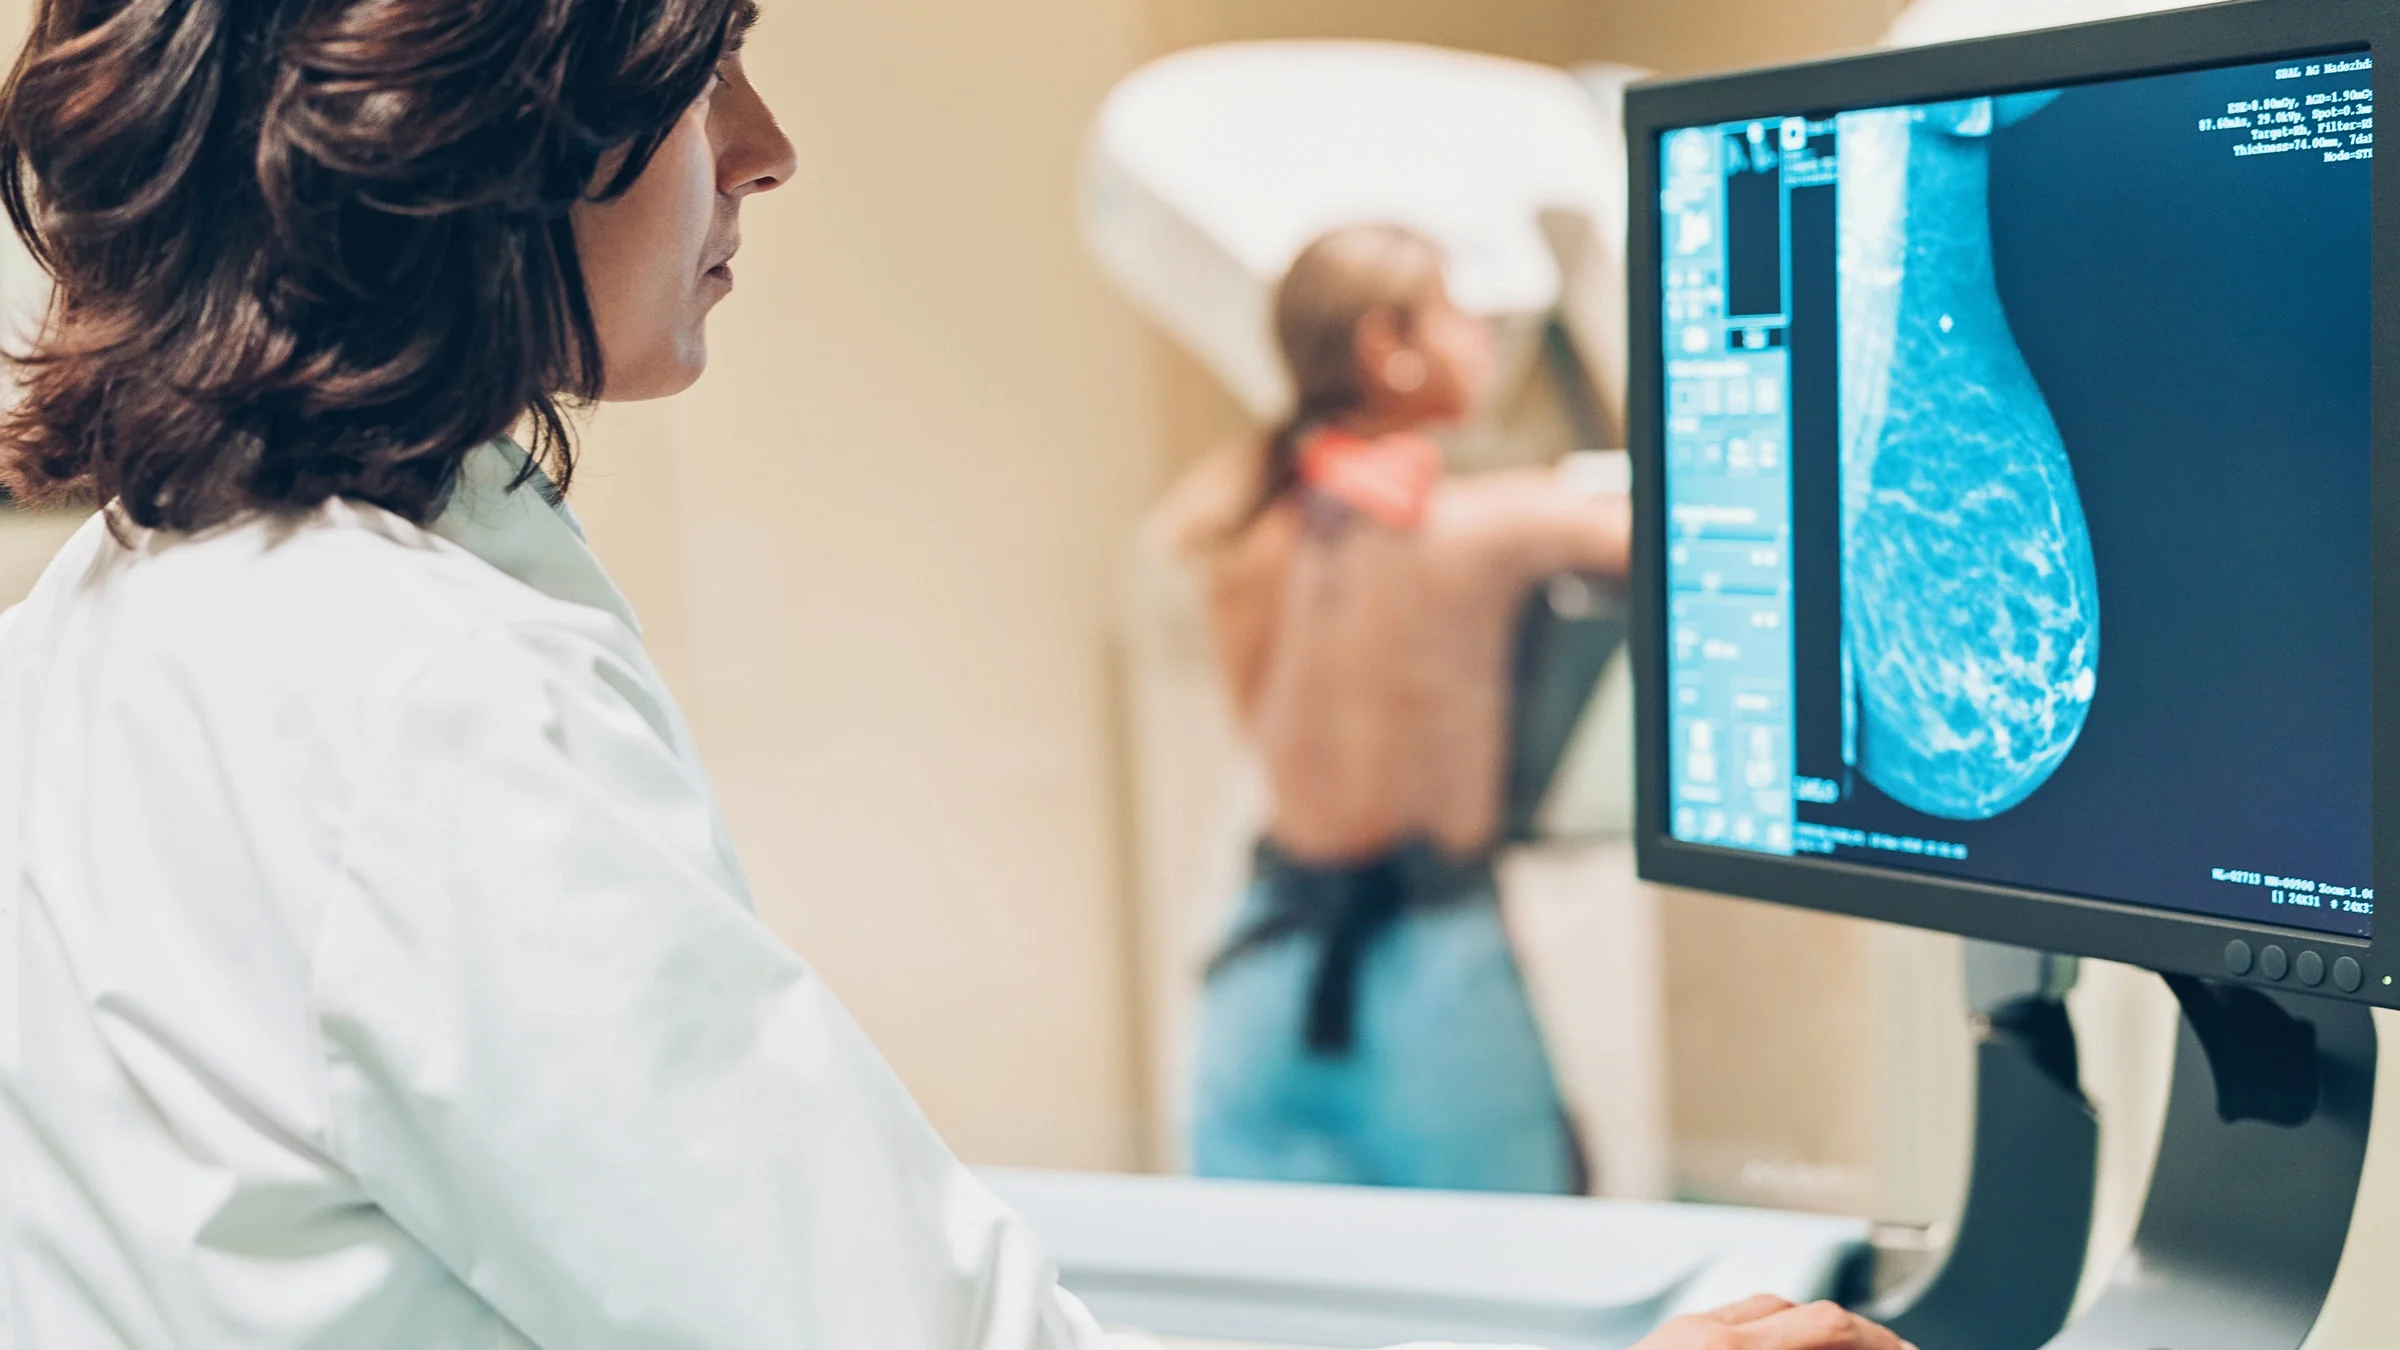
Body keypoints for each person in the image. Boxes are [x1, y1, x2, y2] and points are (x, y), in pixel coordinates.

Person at [0, 0, 1909, 1341]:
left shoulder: (103, 625)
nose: (766, 147)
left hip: (1274, 960)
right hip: (1396, 958)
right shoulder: (410, 705)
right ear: (475, 131)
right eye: (705, 70)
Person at [1166, 224, 1633, 1194]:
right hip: (1427, 978)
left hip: (1262, 965)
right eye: (1459, 311)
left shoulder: (1234, 521)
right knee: (1522, 1291)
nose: (1483, 340)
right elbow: (1708, 526)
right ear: (1389, 346)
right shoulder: (1481, 529)